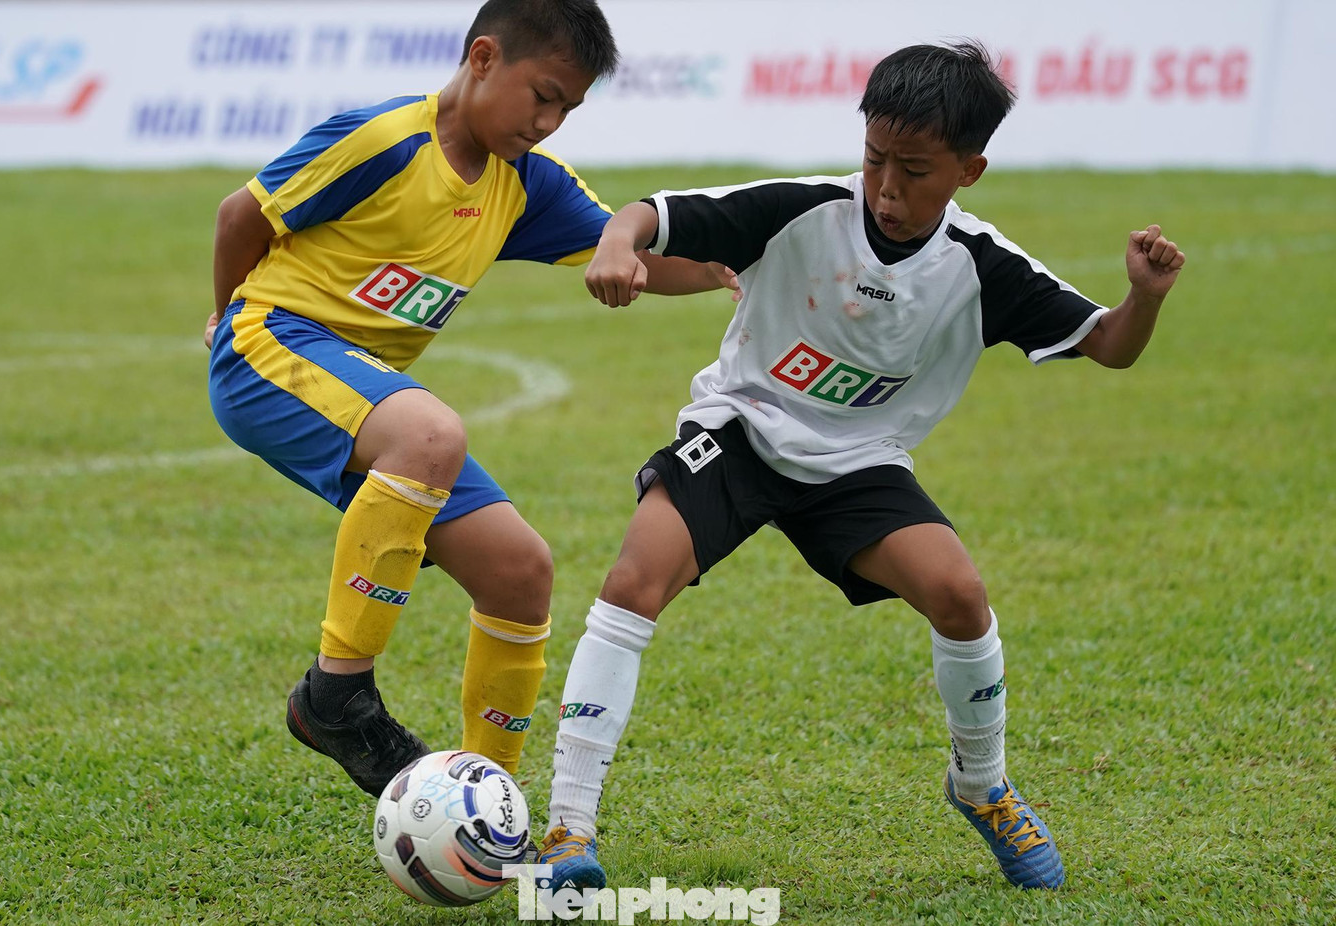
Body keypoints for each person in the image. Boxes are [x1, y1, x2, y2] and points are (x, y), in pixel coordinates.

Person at [537, 41, 1185, 891]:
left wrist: (1143, 297)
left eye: (915, 171)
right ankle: (567, 828)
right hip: (742, 426)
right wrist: (619, 244)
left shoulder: (982, 267)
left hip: (857, 461)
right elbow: (650, 215)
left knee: (959, 594)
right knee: (632, 581)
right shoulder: (805, 208)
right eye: (876, 158)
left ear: (969, 170)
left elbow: (1108, 347)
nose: (886, 187)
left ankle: (982, 785)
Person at [205, 0, 731, 799]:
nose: (550, 122)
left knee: (522, 570)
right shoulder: (385, 141)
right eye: (543, 95)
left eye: (570, 108)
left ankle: (492, 802)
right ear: (483, 58)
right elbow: (242, 214)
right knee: (431, 434)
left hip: (371, 403)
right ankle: (336, 697)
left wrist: (738, 265)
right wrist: (224, 317)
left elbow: (638, 255)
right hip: (269, 347)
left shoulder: (524, 186)